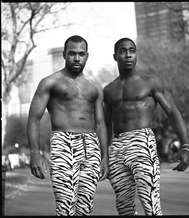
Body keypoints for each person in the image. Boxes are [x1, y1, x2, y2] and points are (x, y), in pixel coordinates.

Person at [103, 38, 189, 215]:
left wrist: (186, 146)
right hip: (117, 147)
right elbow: (106, 125)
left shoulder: (150, 82)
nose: (128, 54)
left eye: (132, 50)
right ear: (115, 56)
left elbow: (172, 112)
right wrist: (104, 155)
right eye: (123, 51)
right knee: (124, 207)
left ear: (136, 54)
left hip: (142, 143)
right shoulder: (108, 90)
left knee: (150, 203)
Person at [27, 35, 108, 216]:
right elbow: (33, 118)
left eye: (81, 54)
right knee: (65, 208)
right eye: (72, 53)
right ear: (64, 54)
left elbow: (101, 123)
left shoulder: (94, 87)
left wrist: (105, 156)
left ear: (87, 55)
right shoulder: (50, 82)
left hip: (91, 146)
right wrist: (35, 152)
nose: (77, 58)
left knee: (85, 209)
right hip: (64, 143)